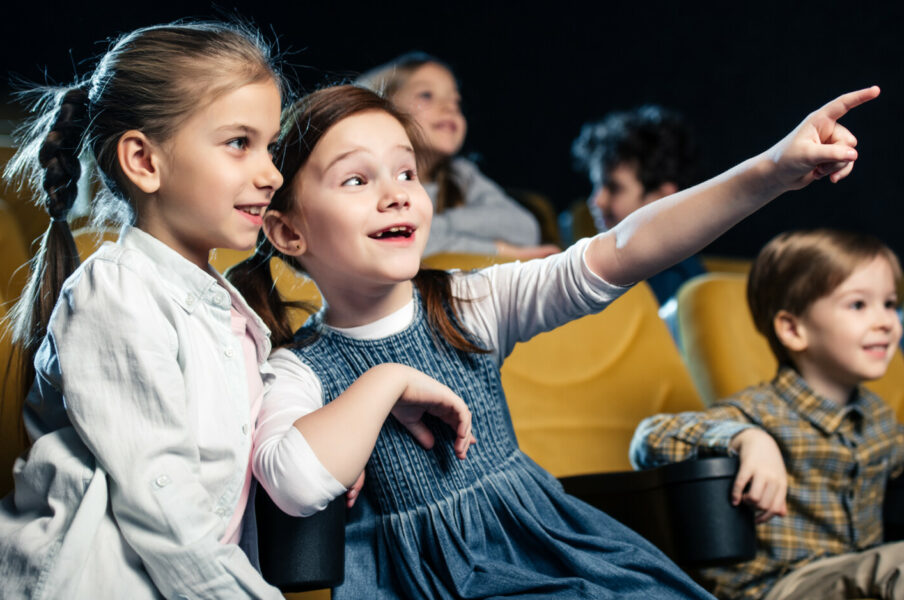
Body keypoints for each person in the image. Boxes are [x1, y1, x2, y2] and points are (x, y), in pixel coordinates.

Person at [229, 81, 879, 598]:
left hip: (552, 551)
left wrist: (769, 170)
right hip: (424, 581)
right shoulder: (300, 370)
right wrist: (387, 381)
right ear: (288, 234)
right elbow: (292, 480)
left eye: (407, 173)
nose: (396, 196)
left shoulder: (467, 304)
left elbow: (626, 248)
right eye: (355, 180)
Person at [0, 22, 474, 600]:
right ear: (144, 161)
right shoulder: (114, 297)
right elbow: (164, 505)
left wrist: (363, 412)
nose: (272, 174)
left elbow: (242, 439)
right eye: (238, 143)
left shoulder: (224, 306)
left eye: (270, 146)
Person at [630, 229, 904, 600]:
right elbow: (650, 439)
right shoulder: (758, 413)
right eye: (859, 305)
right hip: (779, 587)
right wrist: (747, 440)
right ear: (793, 329)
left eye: (890, 304)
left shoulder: (877, 415)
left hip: (856, 575)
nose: (887, 321)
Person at [357, 52, 559, 259]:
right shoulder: (370, 180)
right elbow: (396, 246)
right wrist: (500, 249)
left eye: (456, 101)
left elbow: (524, 228)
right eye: (426, 95)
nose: (450, 107)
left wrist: (439, 226)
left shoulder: (460, 174)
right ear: (382, 106)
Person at [572, 105, 706, 305]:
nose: (597, 200)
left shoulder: (677, 286)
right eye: (597, 185)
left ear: (662, 197)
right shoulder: (611, 272)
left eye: (613, 187)